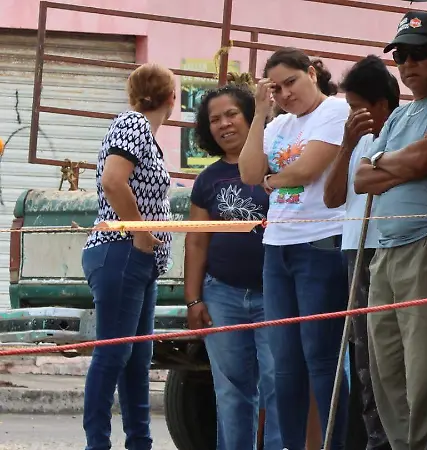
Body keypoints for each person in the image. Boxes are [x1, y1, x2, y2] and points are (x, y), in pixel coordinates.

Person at [238, 48, 351, 450]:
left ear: (312, 73)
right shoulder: (279, 124)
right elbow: (250, 172)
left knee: (321, 357)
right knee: (284, 362)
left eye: (292, 82)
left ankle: (334, 443)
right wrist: (258, 115)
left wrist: (273, 180)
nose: (286, 94)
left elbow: (308, 171)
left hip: (321, 242)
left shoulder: (334, 112)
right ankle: (291, 444)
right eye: (277, 88)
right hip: (278, 245)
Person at [353, 11, 427, 450]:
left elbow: (421, 162)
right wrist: (391, 165)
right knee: (385, 369)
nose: (408, 65)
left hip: (425, 247)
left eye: (419, 54)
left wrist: (387, 165)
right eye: (401, 56)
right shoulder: (399, 117)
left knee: (422, 369)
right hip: (386, 250)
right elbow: (360, 179)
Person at [81, 62, 175, 450]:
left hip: (138, 258)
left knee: (137, 357)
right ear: (171, 98)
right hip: (122, 251)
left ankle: (139, 442)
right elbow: (113, 180)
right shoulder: (132, 125)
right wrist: (140, 231)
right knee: (114, 352)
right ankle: (97, 444)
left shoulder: (142, 133)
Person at [184, 78, 281, 450]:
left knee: (277, 384)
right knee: (231, 391)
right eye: (214, 119)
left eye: (232, 114)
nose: (224, 124)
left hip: (275, 293)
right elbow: (196, 239)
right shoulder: (207, 179)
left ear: (251, 116)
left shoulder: (276, 165)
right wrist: (194, 300)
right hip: (222, 296)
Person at [323, 55, 400, 450]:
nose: (351, 115)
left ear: (382, 105)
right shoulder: (354, 141)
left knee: (389, 356)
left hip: (386, 246)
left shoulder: (401, 133)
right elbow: (333, 196)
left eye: (357, 107)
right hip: (355, 249)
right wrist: (347, 144)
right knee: (363, 357)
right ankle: (375, 440)